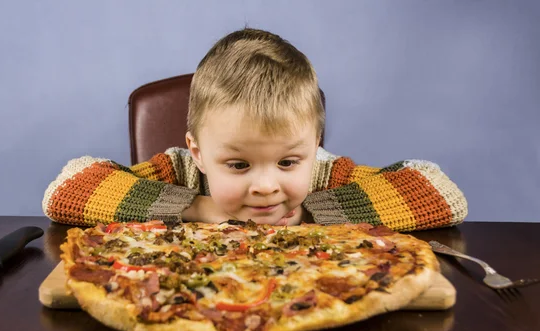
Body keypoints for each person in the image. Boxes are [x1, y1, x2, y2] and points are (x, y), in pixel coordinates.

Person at [42, 28, 468, 232]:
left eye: (287, 161)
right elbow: (66, 189)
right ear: (198, 152)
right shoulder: (179, 172)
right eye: (238, 164)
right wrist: (194, 207)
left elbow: (441, 192)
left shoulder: (324, 174)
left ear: (314, 146)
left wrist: (313, 212)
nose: (267, 186)